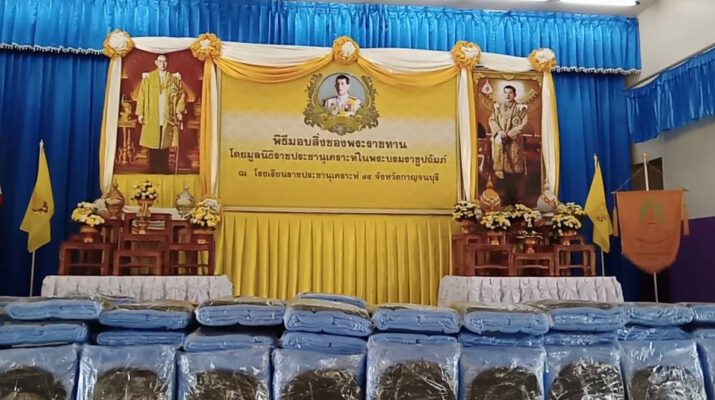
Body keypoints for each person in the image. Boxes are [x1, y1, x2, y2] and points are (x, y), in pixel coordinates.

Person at [135, 54, 186, 174]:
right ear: (156, 62)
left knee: (165, 141)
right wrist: (140, 113)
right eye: (160, 61)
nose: (162, 64)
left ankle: (164, 168)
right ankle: (153, 167)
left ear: (167, 63)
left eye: (164, 61)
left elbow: (181, 95)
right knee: (153, 140)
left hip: (167, 114)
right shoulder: (148, 78)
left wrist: (179, 111)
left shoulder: (174, 79)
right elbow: (142, 95)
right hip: (152, 113)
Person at [488, 85, 528, 205]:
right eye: (505, 92)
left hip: (514, 143)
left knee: (513, 171)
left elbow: (523, 124)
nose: (507, 95)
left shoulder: (520, 109)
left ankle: (515, 200)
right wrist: (499, 132)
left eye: (510, 92)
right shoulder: (498, 108)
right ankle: (503, 199)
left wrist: (510, 134)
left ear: (515, 94)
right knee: (502, 171)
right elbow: (492, 120)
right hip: (501, 142)